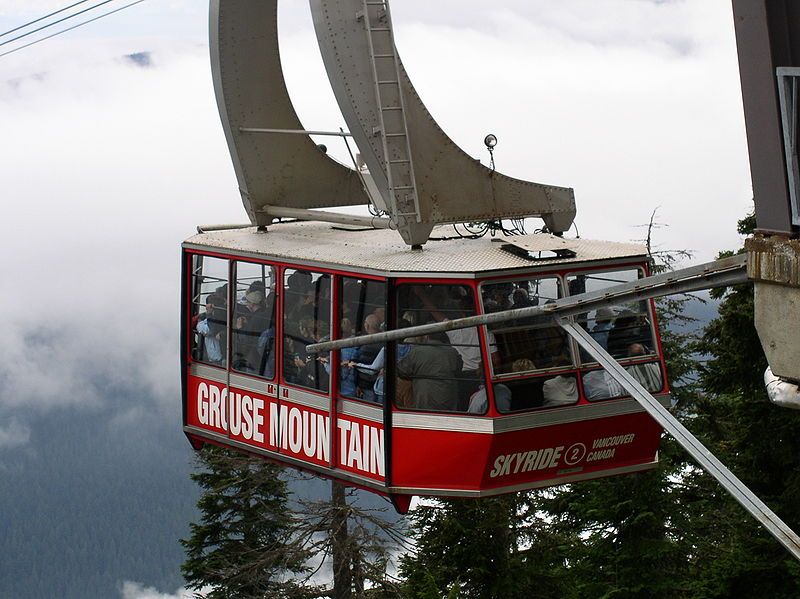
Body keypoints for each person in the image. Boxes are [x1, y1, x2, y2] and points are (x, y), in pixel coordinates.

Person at [397, 330, 463, 412]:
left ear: (426, 336)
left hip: (424, 399)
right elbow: (459, 371)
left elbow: (402, 371)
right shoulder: (452, 352)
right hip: (448, 398)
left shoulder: (417, 351)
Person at [196, 293, 225, 365]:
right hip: (212, 353)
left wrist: (209, 314)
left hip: (218, 355)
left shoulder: (218, 316)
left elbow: (210, 330)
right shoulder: (207, 316)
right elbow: (200, 327)